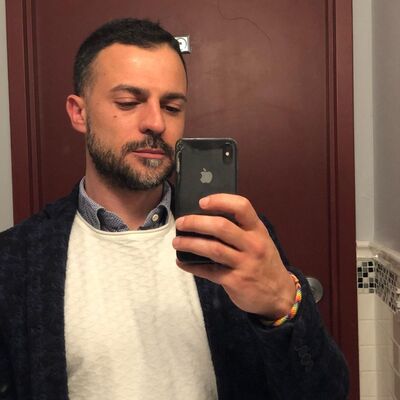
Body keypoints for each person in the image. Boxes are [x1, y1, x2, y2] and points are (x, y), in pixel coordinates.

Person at [0, 18, 349, 400]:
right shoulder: (18, 258)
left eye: (171, 106)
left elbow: (326, 392)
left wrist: (283, 306)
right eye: (128, 102)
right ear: (78, 113)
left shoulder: (233, 240)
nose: (156, 123)